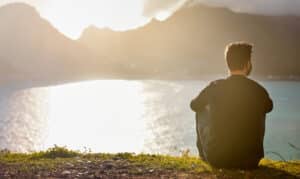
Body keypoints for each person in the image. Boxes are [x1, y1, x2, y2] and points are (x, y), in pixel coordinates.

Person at [190, 42, 273, 169]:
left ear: (228, 64)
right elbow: (269, 107)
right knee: (259, 107)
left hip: (218, 160)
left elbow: (194, 105)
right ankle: (248, 151)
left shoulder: (215, 86)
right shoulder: (259, 90)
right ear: (247, 64)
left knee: (200, 107)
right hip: (250, 162)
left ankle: (203, 154)